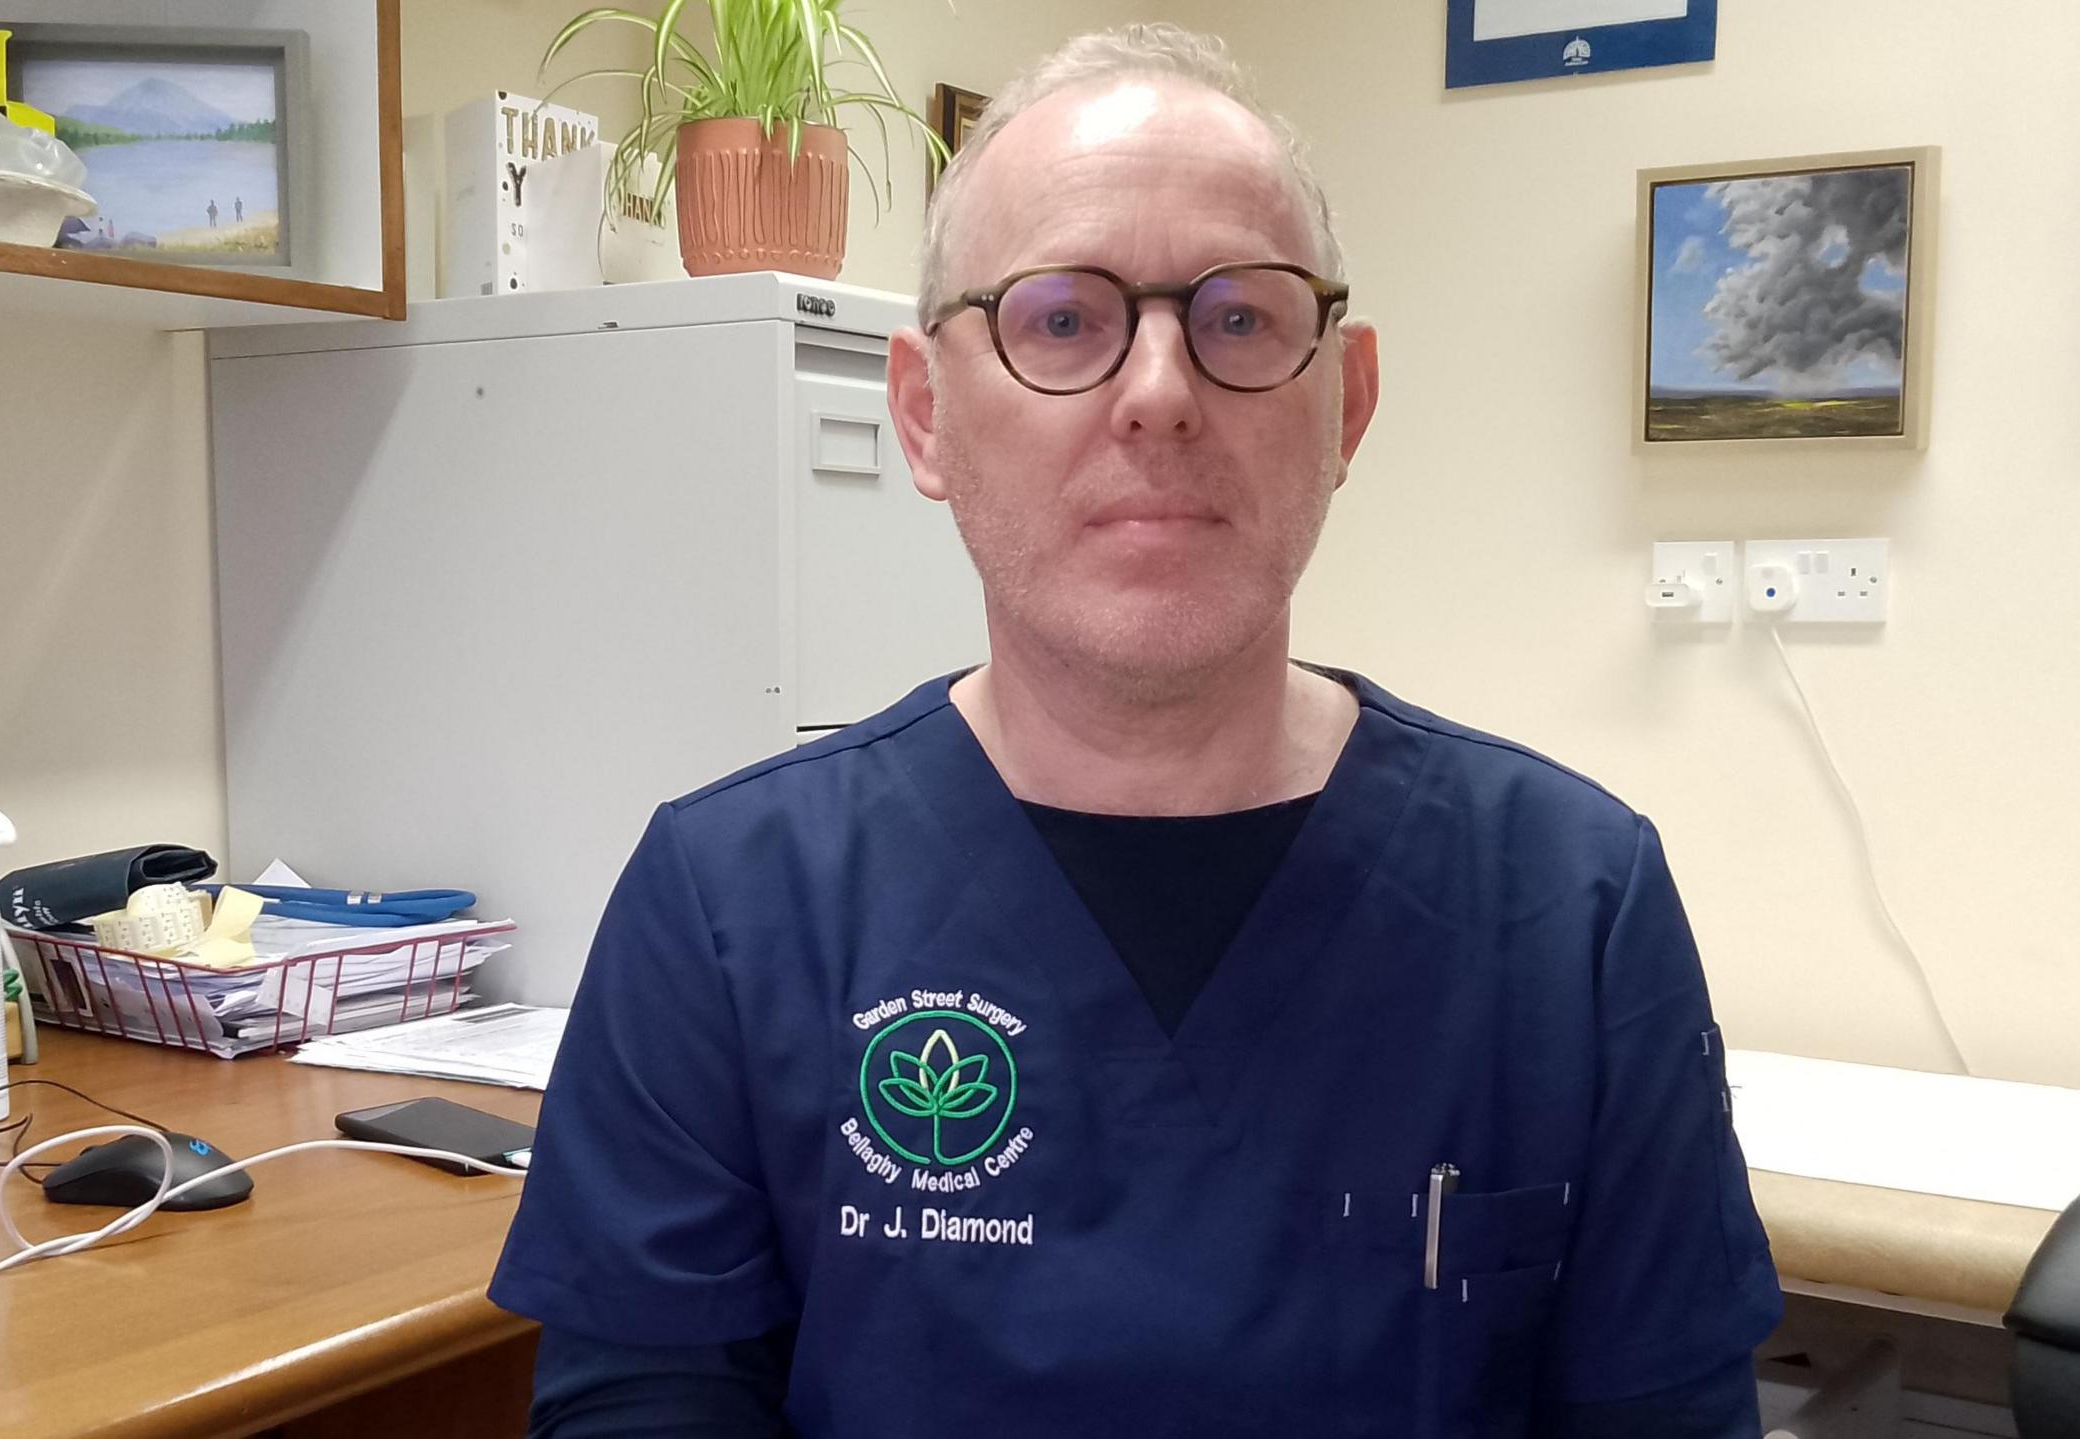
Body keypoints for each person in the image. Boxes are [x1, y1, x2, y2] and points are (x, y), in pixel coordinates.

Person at [492, 24, 1780, 1438]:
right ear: (923, 417)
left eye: (1238, 318)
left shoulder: (1572, 905)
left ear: (1343, 403)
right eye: (1062, 319)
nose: (1160, 393)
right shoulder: (729, 909)